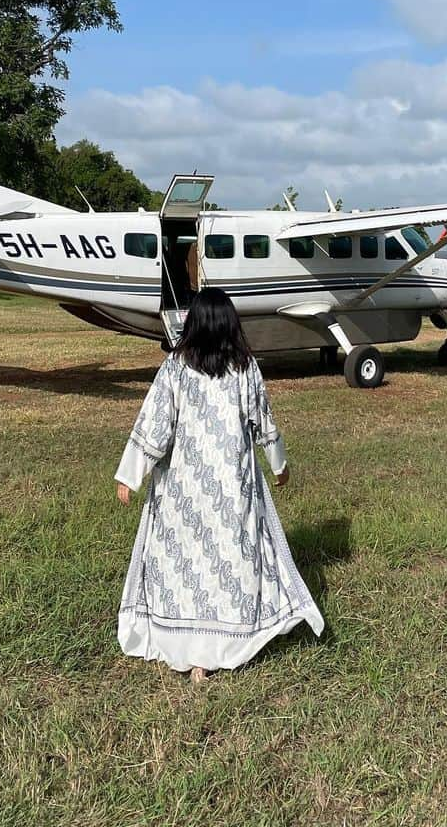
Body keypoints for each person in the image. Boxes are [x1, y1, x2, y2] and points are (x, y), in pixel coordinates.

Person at [114, 287, 324, 681]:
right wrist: (279, 464)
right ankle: (221, 647)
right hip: (232, 488)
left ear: (192, 323)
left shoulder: (176, 367)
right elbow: (263, 422)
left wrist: (130, 473)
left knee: (184, 565)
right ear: (230, 324)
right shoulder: (245, 368)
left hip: (183, 491)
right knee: (231, 563)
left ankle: (190, 651)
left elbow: (155, 426)